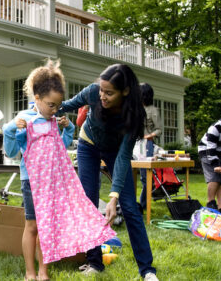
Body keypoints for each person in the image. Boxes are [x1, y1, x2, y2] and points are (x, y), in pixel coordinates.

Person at [4, 59, 115, 281]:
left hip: (52, 182)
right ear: (36, 98)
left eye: (57, 105)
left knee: (46, 227)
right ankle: (30, 272)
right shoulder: (23, 119)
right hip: (31, 182)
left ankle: (43, 272)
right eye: (50, 105)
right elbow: (11, 150)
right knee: (33, 225)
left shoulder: (54, 120)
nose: (55, 110)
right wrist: (13, 130)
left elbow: (60, 147)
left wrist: (69, 128)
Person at [59, 64, 158, 280]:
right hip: (88, 144)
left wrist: (114, 196)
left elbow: (123, 157)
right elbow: (66, 105)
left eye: (109, 92)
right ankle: (94, 261)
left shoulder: (133, 115)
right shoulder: (93, 92)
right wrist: (41, 108)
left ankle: (147, 270)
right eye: (101, 90)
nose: (102, 95)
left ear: (125, 91)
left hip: (115, 151)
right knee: (88, 202)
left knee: (130, 207)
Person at [138, 83, 161, 212]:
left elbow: (159, 130)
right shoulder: (135, 108)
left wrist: (147, 137)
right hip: (133, 144)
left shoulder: (153, 110)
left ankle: (143, 204)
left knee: (145, 177)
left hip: (146, 146)